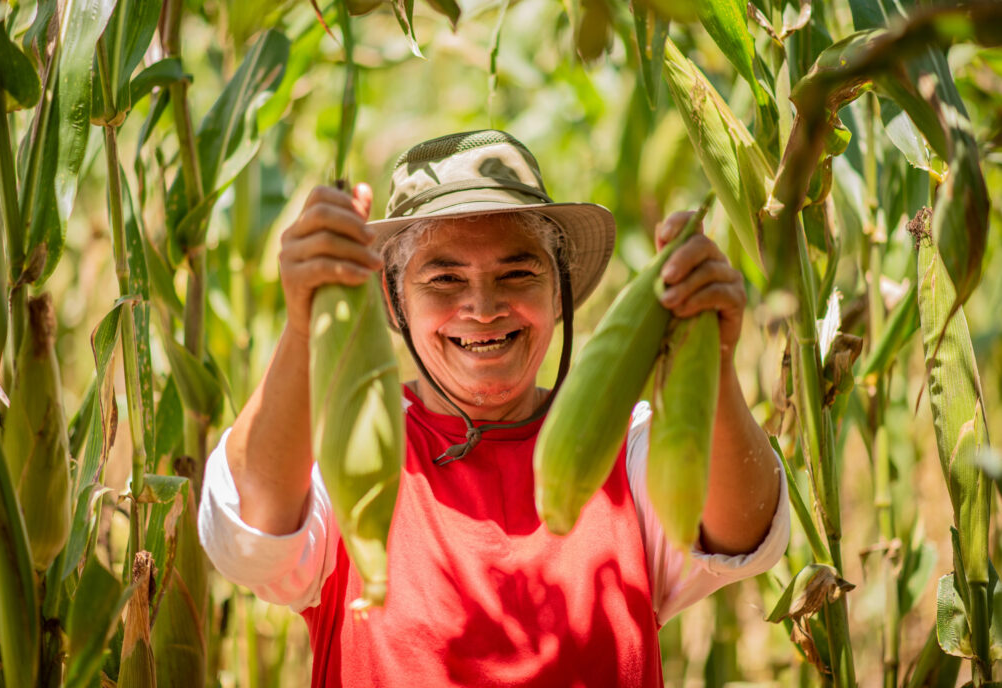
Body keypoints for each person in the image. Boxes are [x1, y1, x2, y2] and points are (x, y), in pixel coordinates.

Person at [199, 130, 789, 687]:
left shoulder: (626, 451)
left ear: (559, 291)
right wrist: (305, 321)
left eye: (517, 272)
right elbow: (250, 541)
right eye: (444, 279)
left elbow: (745, 532)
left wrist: (714, 355)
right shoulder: (347, 451)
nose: (483, 308)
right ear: (394, 300)